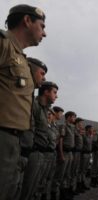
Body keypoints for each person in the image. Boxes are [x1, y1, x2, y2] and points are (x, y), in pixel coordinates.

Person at [0, 4, 46, 200]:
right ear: (27, 21)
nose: (44, 33)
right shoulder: (3, 44)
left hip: (13, 142)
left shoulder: (21, 59)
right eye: (42, 26)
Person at [20, 81, 58, 200]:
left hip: (42, 153)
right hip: (33, 152)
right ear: (46, 92)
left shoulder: (44, 110)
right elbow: (29, 130)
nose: (56, 96)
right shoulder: (34, 105)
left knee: (34, 186)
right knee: (25, 188)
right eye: (54, 92)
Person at [71, 117, 85, 194]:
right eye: (81, 123)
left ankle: (74, 187)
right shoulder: (73, 130)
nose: (82, 124)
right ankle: (70, 188)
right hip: (74, 152)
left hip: (79, 153)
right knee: (72, 171)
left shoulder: (79, 131)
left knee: (76, 170)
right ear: (77, 123)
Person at [79, 125, 93, 190]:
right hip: (83, 154)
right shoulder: (83, 136)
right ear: (88, 129)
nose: (92, 130)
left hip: (88, 154)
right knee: (81, 170)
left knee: (85, 170)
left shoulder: (90, 136)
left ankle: (83, 183)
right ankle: (80, 184)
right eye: (91, 129)